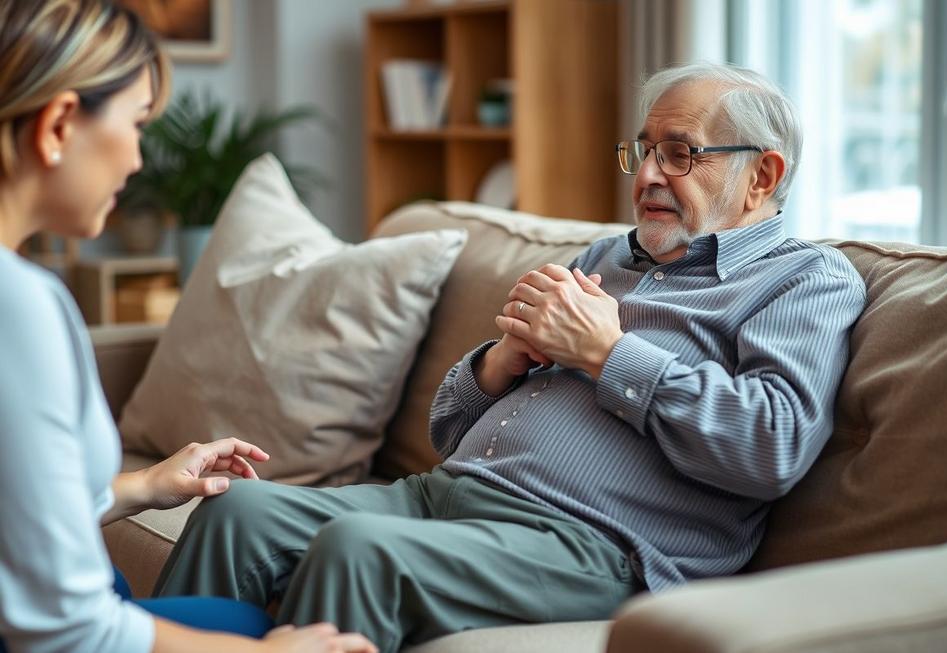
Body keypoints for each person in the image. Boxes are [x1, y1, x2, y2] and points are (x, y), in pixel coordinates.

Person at [154, 62, 867, 652]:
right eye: (642, 150)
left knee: (357, 547)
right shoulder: (605, 257)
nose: (648, 174)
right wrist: (500, 363)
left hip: (594, 544)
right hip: (445, 496)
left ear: (763, 176)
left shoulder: (805, 280)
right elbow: (445, 431)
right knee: (236, 508)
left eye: (679, 153)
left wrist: (608, 352)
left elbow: (770, 445)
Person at [0, 1, 377, 652]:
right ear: (60, 123)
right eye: (137, 124)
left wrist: (146, 485)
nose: (140, 161)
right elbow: (67, 628)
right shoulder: (20, 306)